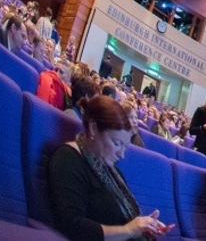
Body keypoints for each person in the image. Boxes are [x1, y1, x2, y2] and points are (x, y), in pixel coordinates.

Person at [47, 95, 175, 241]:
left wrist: (144, 227)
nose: (121, 154)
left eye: (124, 146)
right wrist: (129, 230)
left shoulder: (111, 170)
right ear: (94, 128)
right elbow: (73, 225)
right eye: (116, 143)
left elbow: (125, 222)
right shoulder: (68, 158)